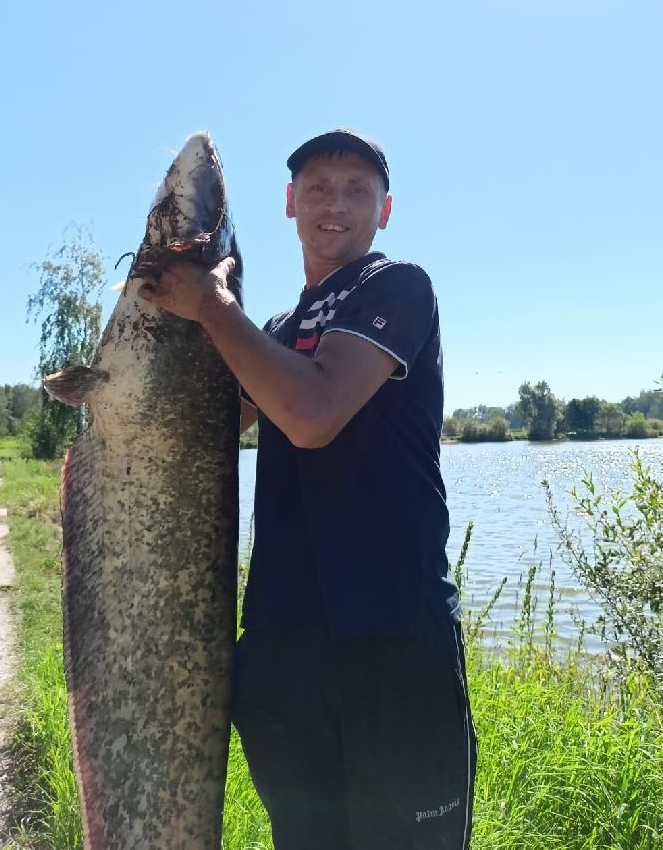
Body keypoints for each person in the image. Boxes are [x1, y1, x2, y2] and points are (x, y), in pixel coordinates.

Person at [139, 128, 477, 850]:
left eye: (358, 190)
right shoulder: (271, 329)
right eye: (318, 188)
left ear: (384, 210)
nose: (337, 204)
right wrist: (157, 329)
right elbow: (202, 429)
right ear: (290, 204)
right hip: (282, 647)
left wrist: (211, 308)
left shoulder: (397, 285)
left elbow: (312, 414)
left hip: (393, 637)